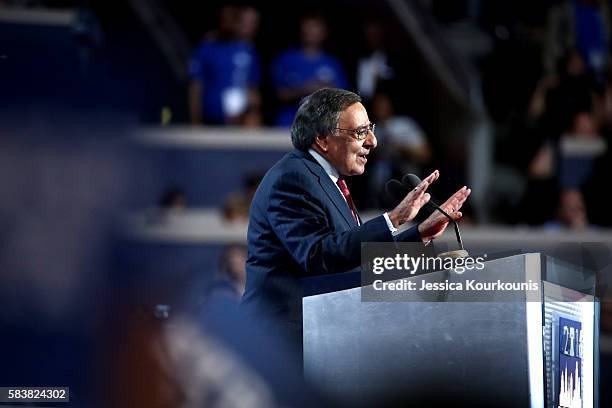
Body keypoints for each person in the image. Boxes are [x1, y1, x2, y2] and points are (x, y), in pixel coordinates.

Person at [241, 88, 470, 353]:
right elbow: (318, 256)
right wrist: (393, 219)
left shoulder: (329, 181)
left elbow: (354, 260)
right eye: (360, 132)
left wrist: (418, 235)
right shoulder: (293, 178)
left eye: (370, 129)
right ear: (323, 139)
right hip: (279, 345)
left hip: (316, 339)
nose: (373, 140)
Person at [271, 12, 349, 126]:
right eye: (308, 28)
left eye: (315, 28)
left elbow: (345, 100)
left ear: (324, 33)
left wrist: (326, 92)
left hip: (321, 129)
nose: (311, 32)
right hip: (288, 125)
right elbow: (277, 94)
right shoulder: (286, 59)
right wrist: (305, 89)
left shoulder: (333, 63)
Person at [188, 5, 262, 125]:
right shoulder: (206, 48)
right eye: (224, 18)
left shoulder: (248, 50)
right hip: (210, 121)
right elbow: (195, 87)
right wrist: (195, 122)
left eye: (233, 18)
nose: (228, 22)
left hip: (240, 123)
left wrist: (252, 112)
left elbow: (252, 89)